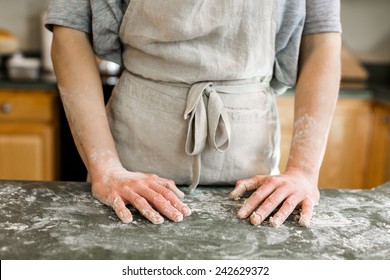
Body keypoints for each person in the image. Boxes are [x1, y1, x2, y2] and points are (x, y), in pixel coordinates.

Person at [45, 0, 341, 227]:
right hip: (130, 163)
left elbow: (321, 38)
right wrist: (106, 170)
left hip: (251, 168)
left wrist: (303, 171)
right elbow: (71, 30)